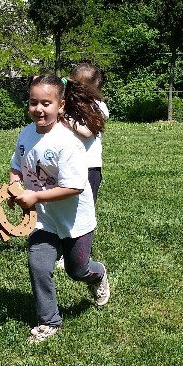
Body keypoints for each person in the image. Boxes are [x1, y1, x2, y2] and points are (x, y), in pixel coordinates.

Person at [9, 74, 109, 343]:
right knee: (38, 265)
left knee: (77, 271)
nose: (39, 109)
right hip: (43, 221)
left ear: (60, 106)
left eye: (46, 103)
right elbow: (17, 165)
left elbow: (75, 186)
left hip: (75, 220)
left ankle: (97, 274)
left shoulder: (68, 142)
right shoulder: (25, 134)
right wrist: (15, 185)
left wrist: (35, 198)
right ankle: (49, 321)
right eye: (33, 103)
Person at [65, 62, 109, 203]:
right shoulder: (68, 103)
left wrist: (64, 118)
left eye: (81, 87)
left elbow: (87, 132)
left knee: (86, 206)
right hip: (67, 162)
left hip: (89, 166)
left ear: (94, 87)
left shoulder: (98, 106)